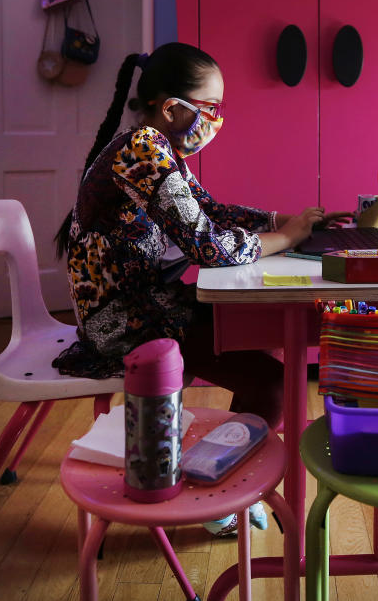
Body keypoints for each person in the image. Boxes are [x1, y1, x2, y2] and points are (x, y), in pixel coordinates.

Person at [56, 43, 349, 529]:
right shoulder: (142, 150)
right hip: (123, 323)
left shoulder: (155, 147)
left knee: (264, 339)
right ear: (171, 108)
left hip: (148, 303)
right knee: (272, 384)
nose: (217, 120)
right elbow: (208, 246)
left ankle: (218, 468)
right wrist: (287, 238)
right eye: (212, 109)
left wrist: (286, 221)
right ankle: (218, 486)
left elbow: (210, 212)